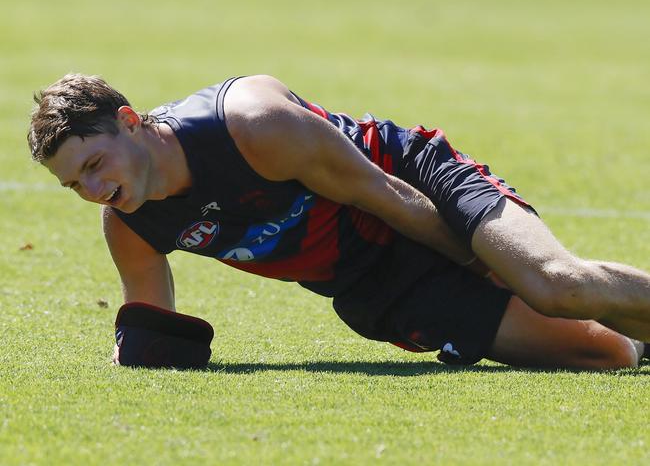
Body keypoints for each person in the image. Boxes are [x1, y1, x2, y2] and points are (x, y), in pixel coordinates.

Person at [28, 73, 650, 370]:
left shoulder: (250, 125)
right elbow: (151, 325)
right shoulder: (130, 225)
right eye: (73, 183)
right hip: (370, 278)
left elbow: (383, 194)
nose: (93, 189)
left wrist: (484, 266)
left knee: (554, 285)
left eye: (94, 163)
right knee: (610, 354)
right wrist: (137, 350)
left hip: (414, 188)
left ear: (131, 121)